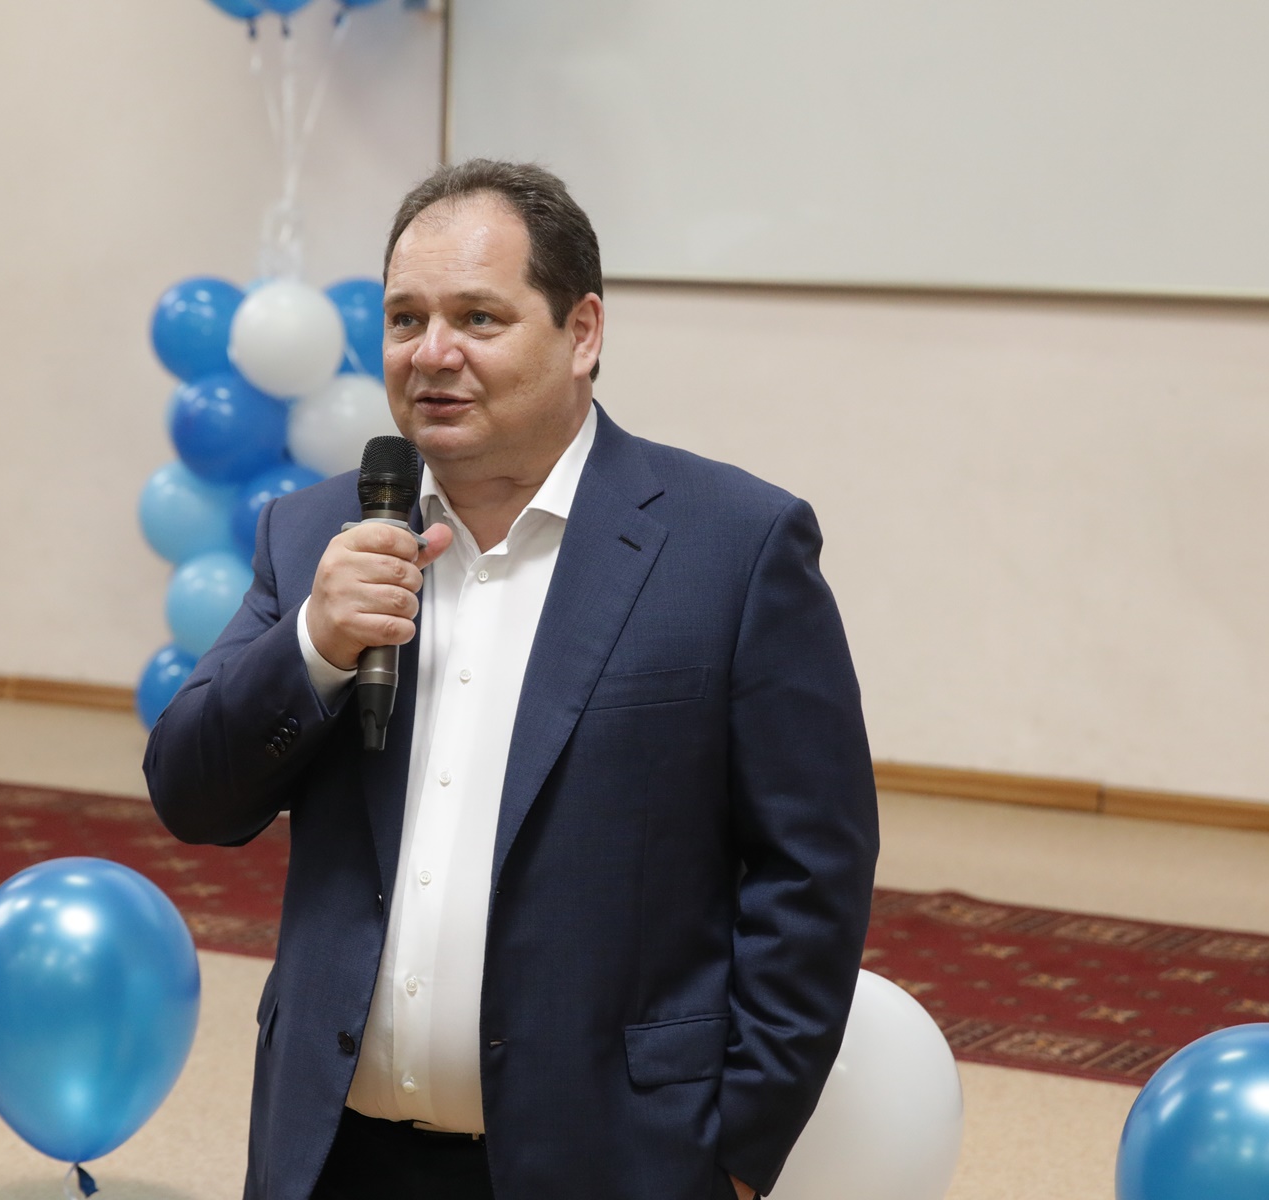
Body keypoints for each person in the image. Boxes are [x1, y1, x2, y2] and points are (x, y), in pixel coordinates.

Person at [145, 160, 878, 1200]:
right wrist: (315, 640)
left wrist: (736, 1154)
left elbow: (812, 873)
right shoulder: (316, 535)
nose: (432, 354)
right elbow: (191, 795)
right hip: (334, 1154)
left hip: (611, 1161)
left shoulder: (734, 548)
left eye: (478, 317)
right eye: (405, 319)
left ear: (582, 333)